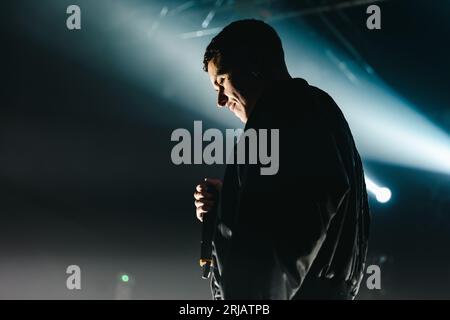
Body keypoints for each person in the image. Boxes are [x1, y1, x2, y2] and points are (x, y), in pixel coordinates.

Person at [193, 19, 370, 300]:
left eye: (222, 81)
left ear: (254, 67)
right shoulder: (312, 112)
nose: (221, 100)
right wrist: (227, 205)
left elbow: (281, 235)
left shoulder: (287, 113)